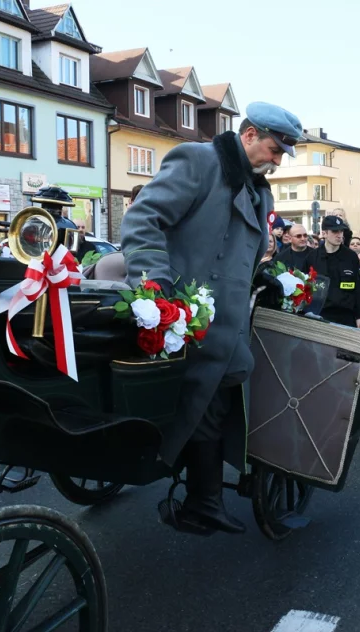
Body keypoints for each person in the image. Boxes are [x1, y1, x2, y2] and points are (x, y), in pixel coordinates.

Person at [119, 101, 302, 536]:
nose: (277, 162)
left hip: (222, 323)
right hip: (182, 317)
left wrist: (270, 277)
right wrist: (155, 288)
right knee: (207, 395)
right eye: (275, 150)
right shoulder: (199, 160)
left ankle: (204, 497)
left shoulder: (259, 189)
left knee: (226, 385)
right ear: (251, 134)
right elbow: (144, 218)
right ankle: (203, 498)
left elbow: (241, 253)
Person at [305, 215, 360, 329]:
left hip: (345, 316)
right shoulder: (313, 257)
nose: (339, 235)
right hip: (320, 315)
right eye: (335, 231)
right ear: (324, 233)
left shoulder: (351, 256)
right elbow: (305, 286)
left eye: (341, 231)